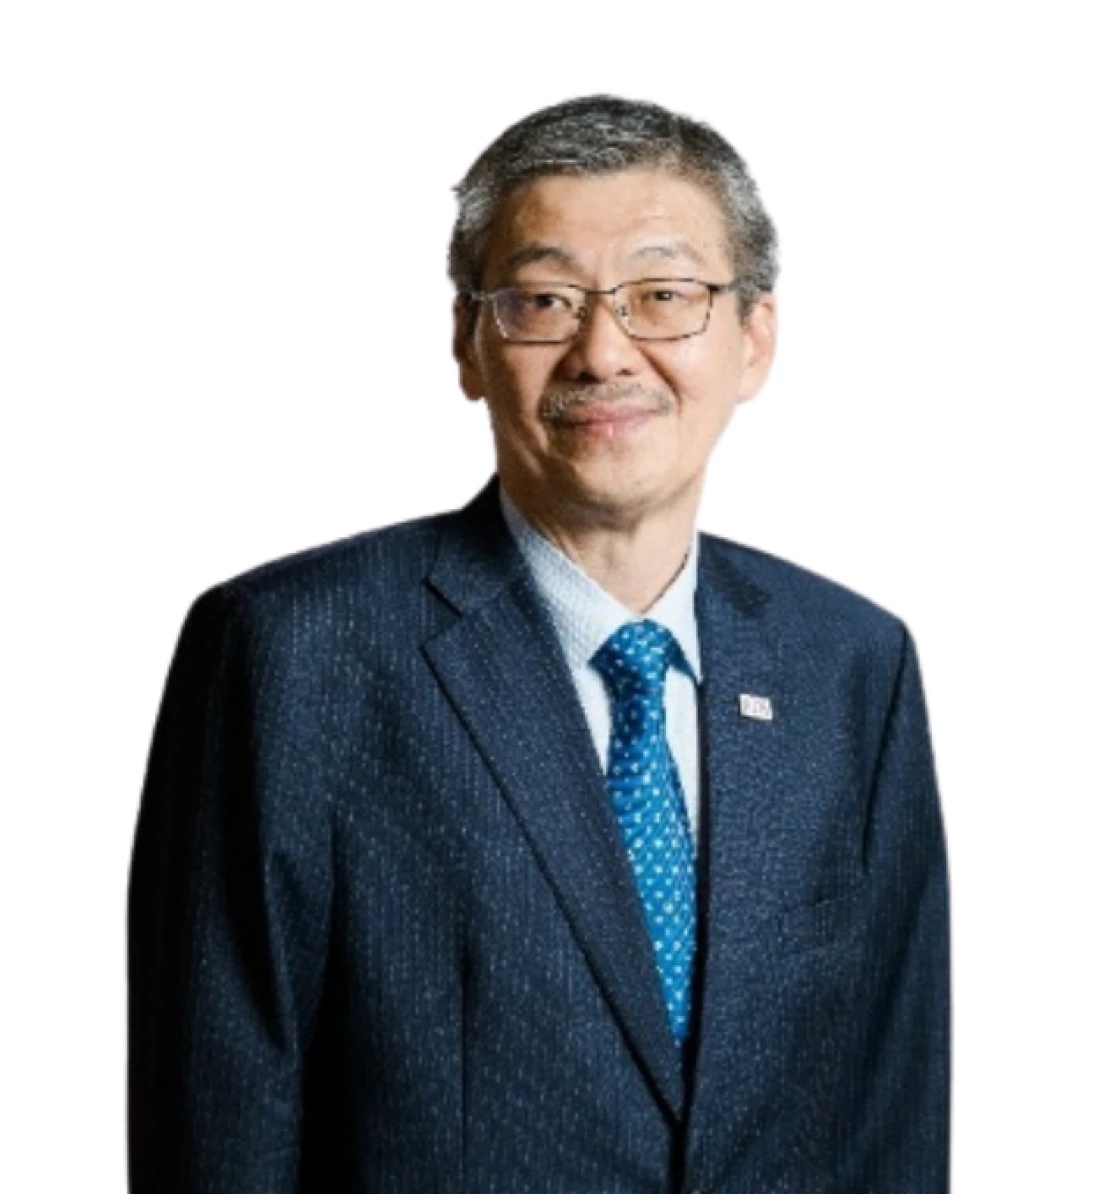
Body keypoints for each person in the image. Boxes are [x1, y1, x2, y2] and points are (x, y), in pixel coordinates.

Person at [129, 95, 950, 1193]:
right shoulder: (292, 653)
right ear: (469, 344)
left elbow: (891, 1119)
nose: (604, 352)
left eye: (664, 297)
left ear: (754, 339)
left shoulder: (850, 666)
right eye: (544, 301)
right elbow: (216, 1127)